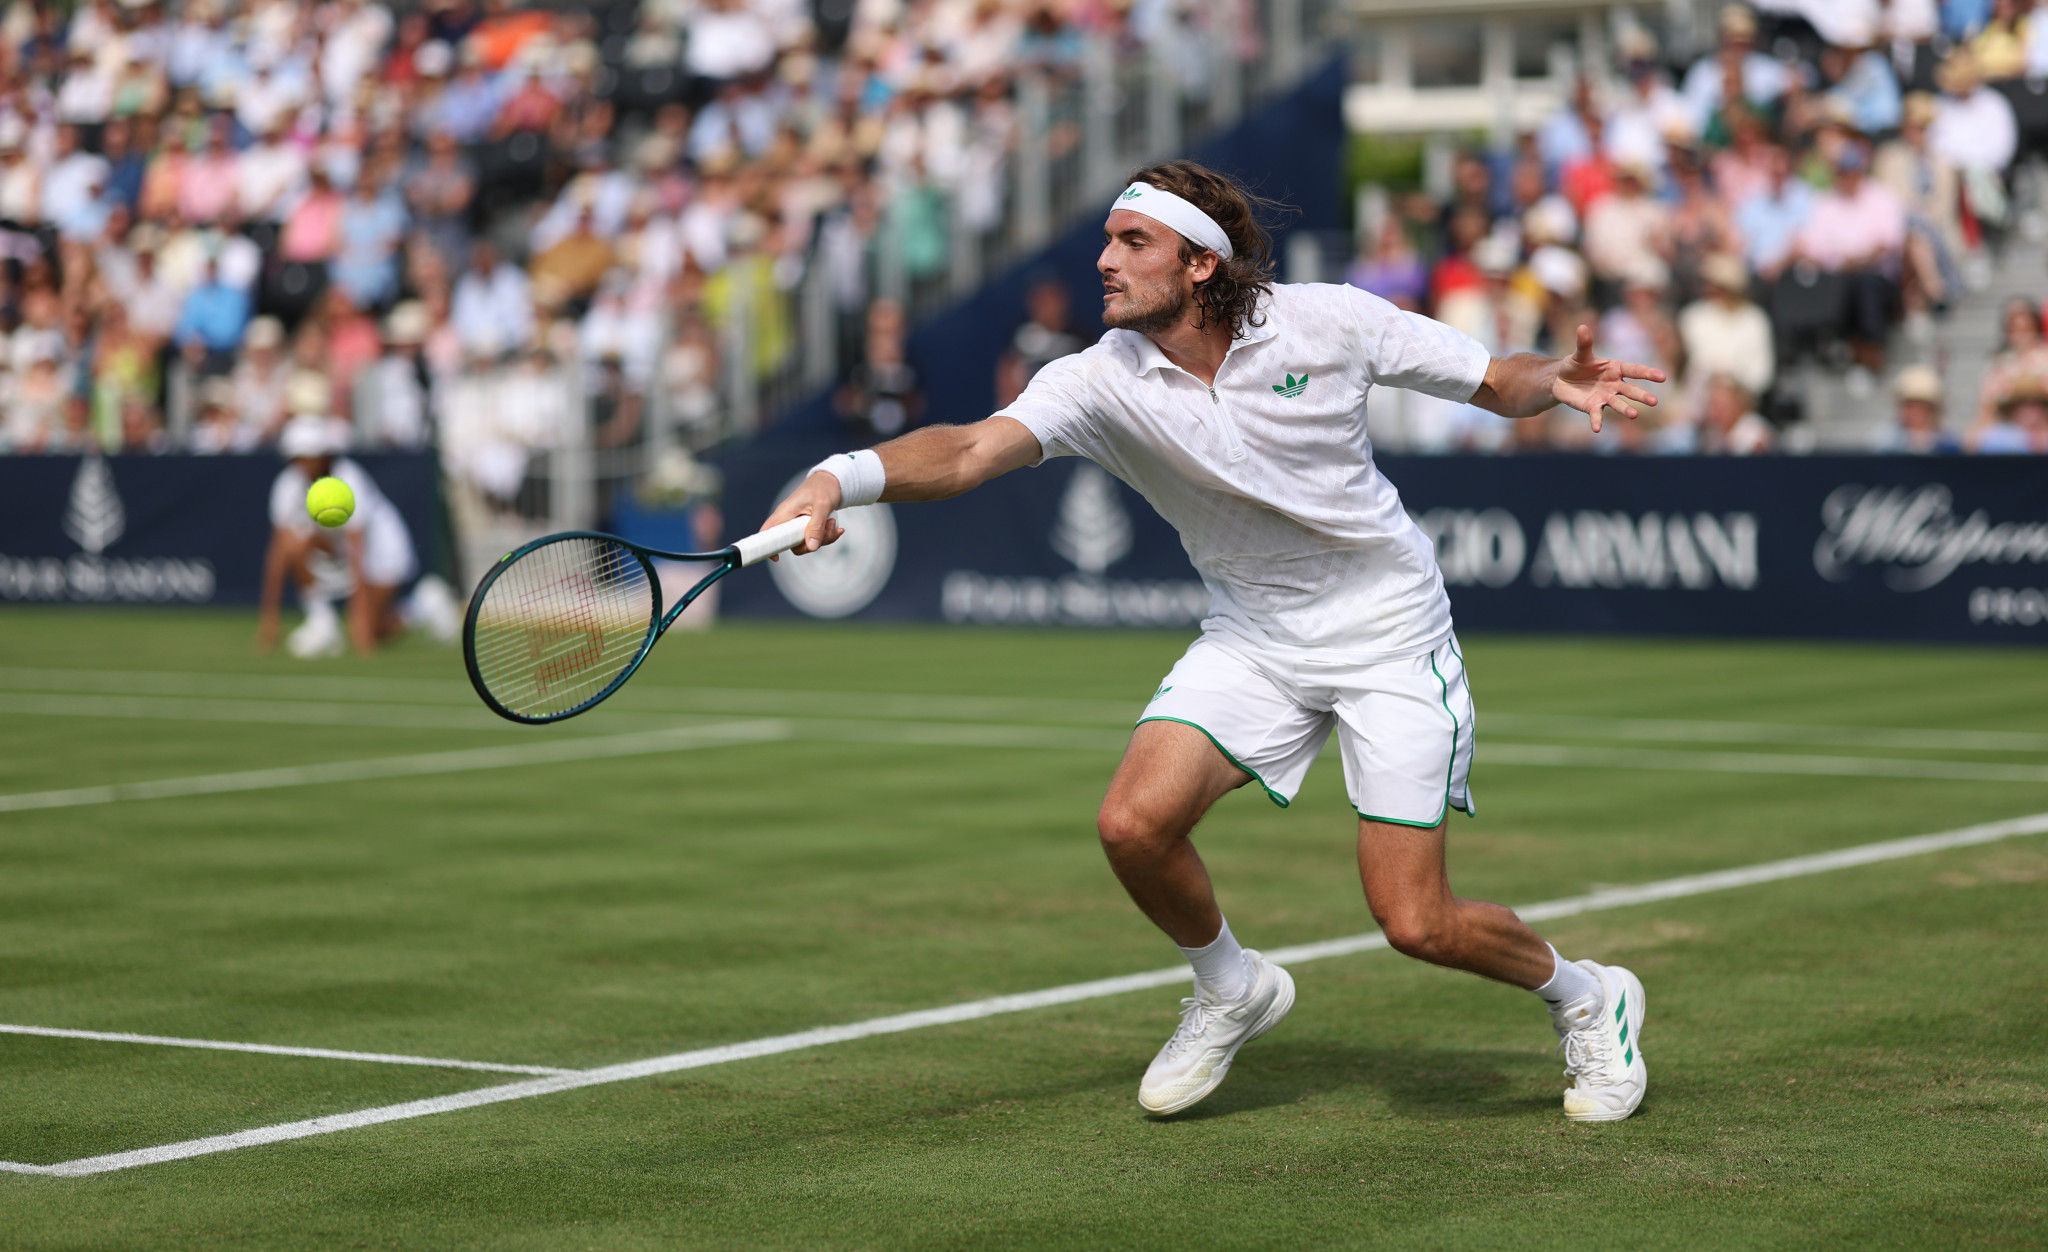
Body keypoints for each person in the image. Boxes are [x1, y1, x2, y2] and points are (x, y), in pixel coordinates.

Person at [763, 161, 1662, 1122]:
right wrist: (840, 475)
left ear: (1200, 264)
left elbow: (1494, 380)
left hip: (1390, 635)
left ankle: (1588, 997)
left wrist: (1554, 380)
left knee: (1416, 922)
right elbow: (972, 449)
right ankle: (1232, 985)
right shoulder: (1096, 380)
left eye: (1130, 243)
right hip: (1254, 636)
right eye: (1106, 239)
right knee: (1131, 826)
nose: (1104, 261)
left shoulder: (1330, 319)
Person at [257, 407, 422, 658]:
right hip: (339, 553)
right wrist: (269, 619)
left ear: (323, 455)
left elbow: (359, 551)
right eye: (298, 457)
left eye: (310, 456)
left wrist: (360, 619)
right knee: (295, 541)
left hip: (384, 552)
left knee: (375, 632)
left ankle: (422, 608)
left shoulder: (350, 478)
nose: (304, 464)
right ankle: (323, 621)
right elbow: (278, 553)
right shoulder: (287, 485)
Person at [996, 275, 1084, 408]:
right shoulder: (1019, 335)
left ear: (1063, 299)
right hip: (1026, 413)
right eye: (1038, 298)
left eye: (1049, 297)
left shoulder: (1081, 337)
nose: (1044, 304)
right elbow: (1007, 375)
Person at [1877, 365, 1961, 453]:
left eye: (1920, 406)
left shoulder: (1948, 442)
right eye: (1909, 406)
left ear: (1933, 410)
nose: (1913, 412)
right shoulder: (1886, 440)